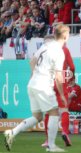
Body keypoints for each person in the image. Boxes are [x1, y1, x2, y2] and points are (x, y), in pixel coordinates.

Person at [4, 24, 70, 152]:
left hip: (33, 83)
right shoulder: (59, 52)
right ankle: (51, 146)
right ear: (65, 36)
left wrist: (36, 75)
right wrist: (62, 95)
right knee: (54, 112)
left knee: (37, 116)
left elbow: (32, 61)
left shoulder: (45, 46)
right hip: (43, 85)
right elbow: (58, 76)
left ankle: (12, 132)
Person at [42, 35, 75, 147]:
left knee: (48, 112)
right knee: (64, 110)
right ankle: (65, 132)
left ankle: (48, 140)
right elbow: (72, 67)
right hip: (61, 82)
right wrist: (70, 77)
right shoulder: (64, 50)